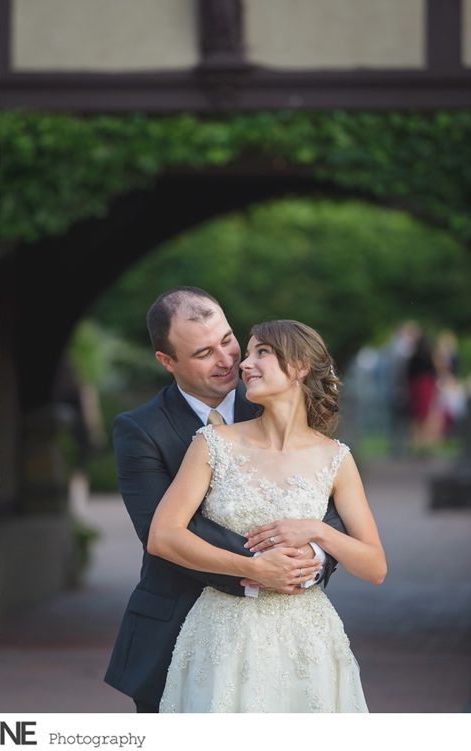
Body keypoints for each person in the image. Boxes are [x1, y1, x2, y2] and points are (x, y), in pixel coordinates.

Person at [103, 287, 349, 712]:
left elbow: (326, 497)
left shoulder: (276, 401)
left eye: (227, 340)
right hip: (175, 630)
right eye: (203, 353)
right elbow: (162, 532)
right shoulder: (140, 430)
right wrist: (261, 567)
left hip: (284, 639)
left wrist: (311, 558)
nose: (228, 360)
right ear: (167, 361)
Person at [151, 319, 385, 712]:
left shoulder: (336, 458)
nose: (245, 363)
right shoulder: (213, 444)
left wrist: (317, 531)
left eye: (262, 352)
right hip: (223, 635)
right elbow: (163, 536)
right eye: (248, 352)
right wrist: (253, 568)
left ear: (299, 367)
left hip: (307, 640)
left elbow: (375, 566)